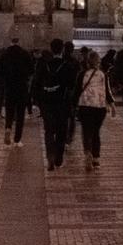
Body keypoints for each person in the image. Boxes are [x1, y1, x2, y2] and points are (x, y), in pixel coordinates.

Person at [32, 38, 78, 171]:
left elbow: (37, 83)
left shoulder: (44, 65)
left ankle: (49, 156)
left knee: (49, 131)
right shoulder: (67, 65)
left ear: (51, 49)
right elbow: (72, 85)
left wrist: (37, 101)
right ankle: (58, 158)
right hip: (62, 103)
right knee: (61, 131)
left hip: (47, 103)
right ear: (62, 49)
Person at [75, 52, 113, 170]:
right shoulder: (103, 74)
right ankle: (96, 159)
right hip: (99, 107)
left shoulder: (82, 74)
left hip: (85, 106)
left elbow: (77, 91)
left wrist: (73, 104)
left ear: (87, 62)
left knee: (86, 132)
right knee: (96, 132)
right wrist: (112, 104)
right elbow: (107, 91)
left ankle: (88, 153)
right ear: (98, 62)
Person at [0, 37, 34, 146]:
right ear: (19, 43)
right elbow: (31, 69)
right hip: (22, 87)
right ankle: (17, 139)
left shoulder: (4, 54)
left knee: (9, 112)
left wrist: (4, 79)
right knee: (20, 115)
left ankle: (8, 128)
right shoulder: (25, 54)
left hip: (9, 87)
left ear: (11, 42)